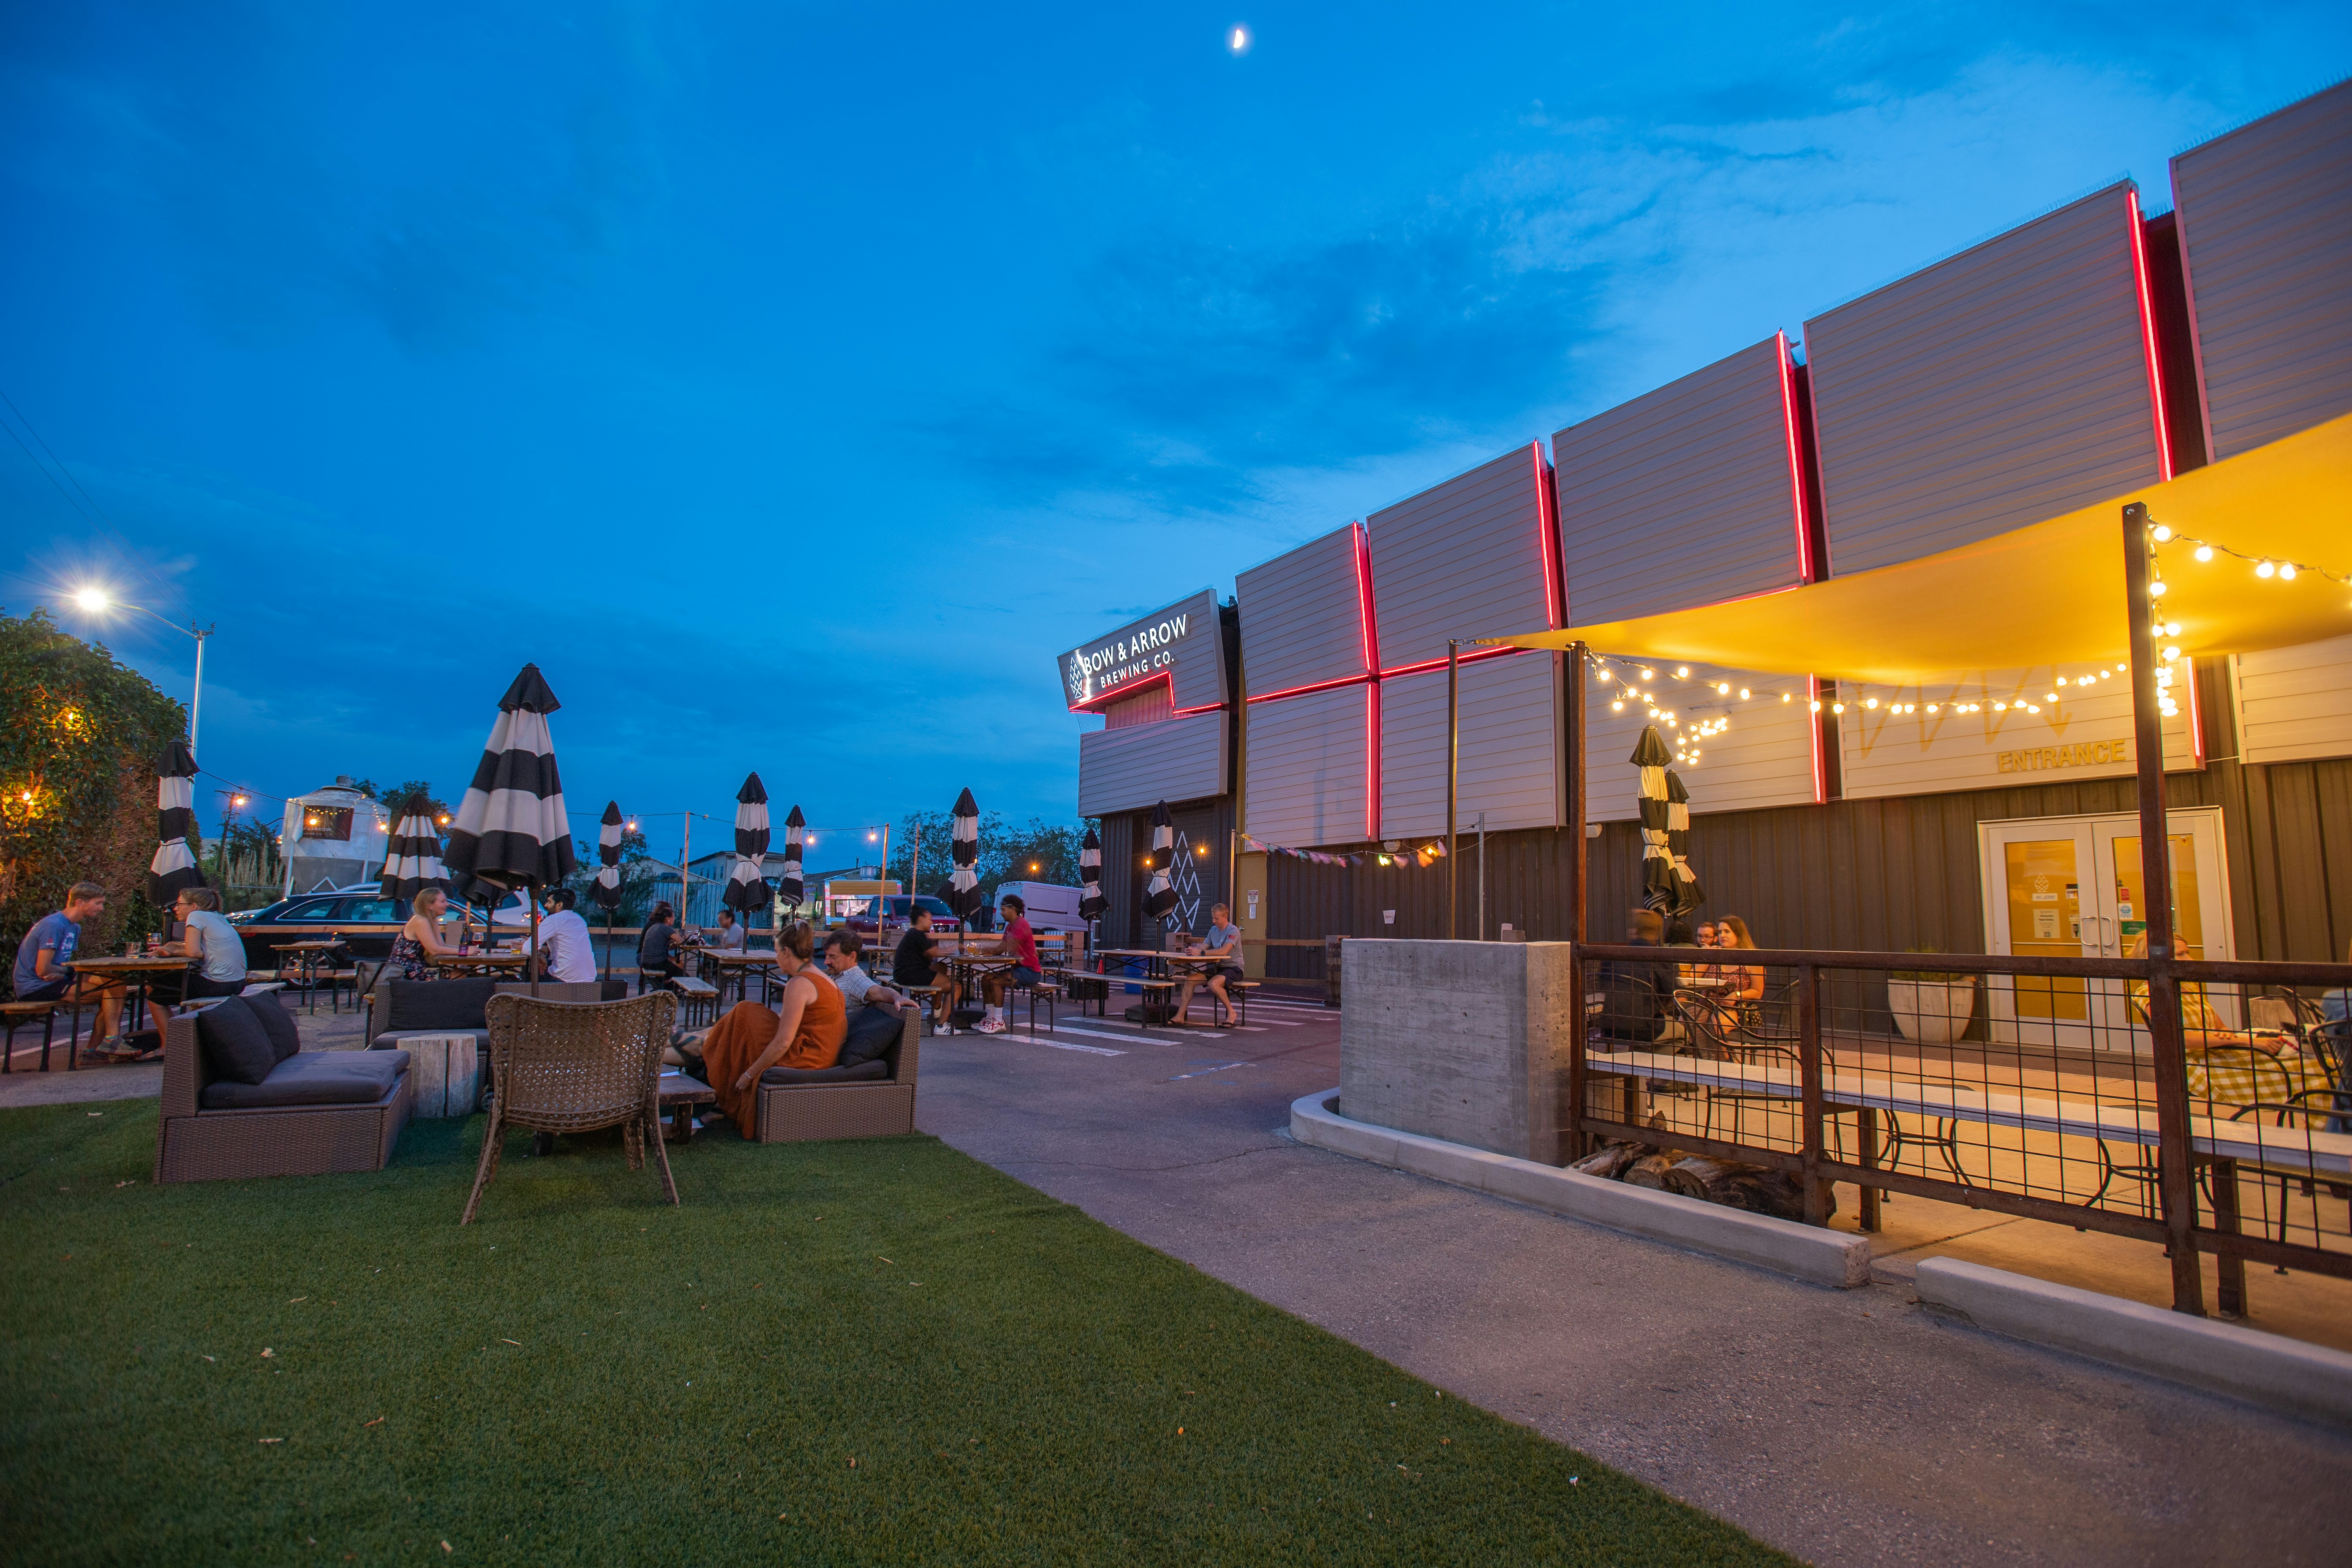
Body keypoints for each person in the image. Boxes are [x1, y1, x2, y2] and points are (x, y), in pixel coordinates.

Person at [691, 922, 845, 1134]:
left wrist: (749, 1074)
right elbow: (785, 1021)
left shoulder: (799, 984)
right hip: (821, 1054)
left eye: (776, 952)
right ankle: (701, 1043)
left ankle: (698, 1046)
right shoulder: (821, 977)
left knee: (744, 1012)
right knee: (744, 1017)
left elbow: (783, 1043)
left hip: (806, 1058)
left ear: (786, 952)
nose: (775, 958)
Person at [11, 881, 126, 1057]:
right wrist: (69, 972)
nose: (102, 908)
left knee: (116, 983)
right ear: (80, 902)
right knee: (109, 991)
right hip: (35, 986)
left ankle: (96, 1049)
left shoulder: (75, 927)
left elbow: (61, 965)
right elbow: (43, 969)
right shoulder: (54, 926)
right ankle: (109, 1042)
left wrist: (67, 972)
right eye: (98, 903)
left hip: (55, 980)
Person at [146, 887, 249, 1037]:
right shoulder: (217, 917)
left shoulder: (196, 916)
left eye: (180, 904)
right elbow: (201, 949)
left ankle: (168, 1045)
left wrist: (172, 952)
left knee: (155, 990)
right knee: (163, 985)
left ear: (193, 906)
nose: (176, 909)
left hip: (219, 984)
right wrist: (171, 948)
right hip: (238, 983)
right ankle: (183, 1038)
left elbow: (194, 953)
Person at [975, 893, 1042, 1034]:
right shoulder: (1010, 927)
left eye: (1004, 910)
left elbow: (1009, 947)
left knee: (997, 982)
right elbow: (1001, 948)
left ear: (1013, 909)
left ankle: (999, 1021)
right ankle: (990, 1018)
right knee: (986, 979)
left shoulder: (1021, 924)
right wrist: (983, 950)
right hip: (1018, 967)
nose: (1002, 913)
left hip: (1031, 971)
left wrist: (988, 950)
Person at [1173, 903, 1244, 1026]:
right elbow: (1204, 947)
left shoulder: (1233, 930)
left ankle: (1232, 1013)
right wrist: (1193, 951)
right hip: (1219, 968)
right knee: (1190, 980)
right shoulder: (1213, 930)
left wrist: (1200, 952)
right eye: (1213, 918)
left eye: (1216, 918)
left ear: (1225, 917)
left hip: (1234, 968)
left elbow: (1224, 952)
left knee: (1213, 983)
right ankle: (1180, 1016)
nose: (1213, 921)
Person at [820, 928, 918, 1011]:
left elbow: (878, 991)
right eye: (826, 955)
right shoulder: (839, 975)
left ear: (852, 957)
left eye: (833, 957)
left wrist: (897, 998)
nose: (826, 962)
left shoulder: (854, 979)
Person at [388, 887, 469, 981]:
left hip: (416, 969)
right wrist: (466, 951)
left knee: (462, 973)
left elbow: (441, 945)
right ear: (430, 906)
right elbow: (435, 950)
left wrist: (466, 950)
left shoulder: (432, 920)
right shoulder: (420, 920)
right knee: (460, 975)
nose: (447, 904)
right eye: (443, 902)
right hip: (404, 973)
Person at [893, 906, 956, 1018]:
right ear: (922, 919)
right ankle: (942, 1024)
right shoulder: (918, 935)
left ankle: (937, 1011)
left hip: (904, 974)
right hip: (911, 975)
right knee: (956, 987)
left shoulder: (914, 933)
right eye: (930, 919)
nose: (932, 922)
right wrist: (956, 947)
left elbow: (930, 955)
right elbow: (934, 953)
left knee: (941, 967)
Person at [526, 887, 598, 984]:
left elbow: (528, 948)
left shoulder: (554, 919)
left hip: (564, 979)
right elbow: (566, 949)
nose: (546, 905)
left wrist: (540, 958)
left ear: (559, 905)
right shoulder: (579, 919)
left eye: (549, 902)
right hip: (589, 977)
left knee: (531, 976)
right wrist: (542, 954)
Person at [639, 903, 683, 988]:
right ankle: (666, 989)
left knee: (673, 968)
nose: (674, 919)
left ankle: (663, 986)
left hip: (646, 962)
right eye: (673, 917)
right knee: (683, 976)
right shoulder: (666, 928)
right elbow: (682, 941)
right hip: (657, 963)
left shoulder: (654, 927)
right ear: (668, 919)